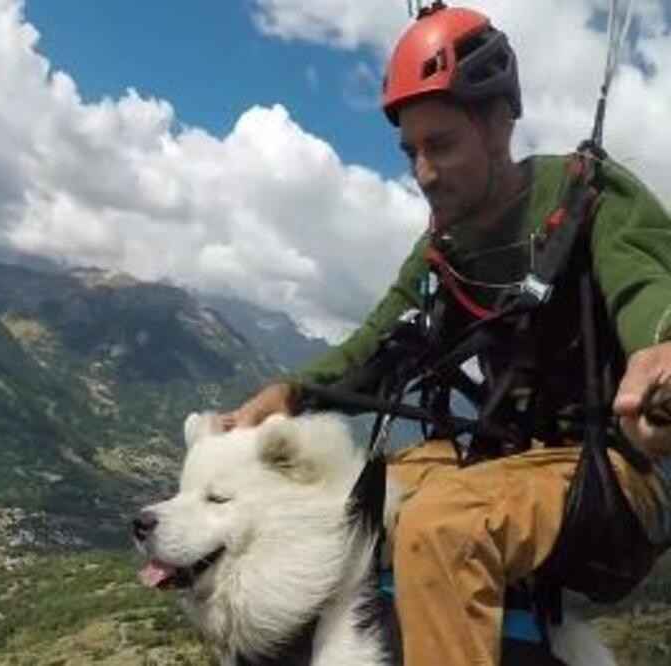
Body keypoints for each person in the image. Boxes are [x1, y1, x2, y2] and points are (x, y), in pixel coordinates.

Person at [219, 3, 671, 665]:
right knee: (351, 501)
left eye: (442, 145)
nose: (424, 172)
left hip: (611, 475)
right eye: (411, 152)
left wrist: (660, 353)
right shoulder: (442, 249)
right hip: (506, 463)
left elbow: (646, 290)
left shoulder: (589, 197)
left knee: (442, 527)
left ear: (498, 123)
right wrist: (288, 394)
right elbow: (374, 344)